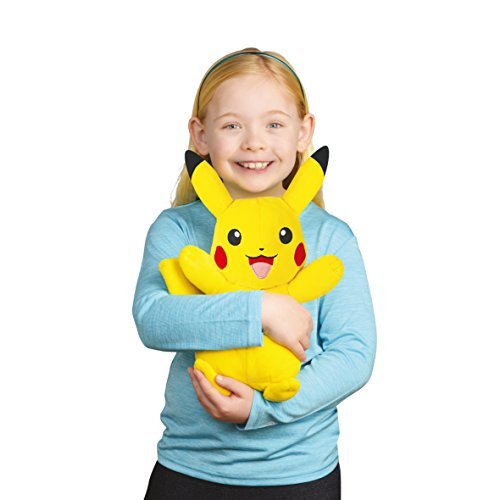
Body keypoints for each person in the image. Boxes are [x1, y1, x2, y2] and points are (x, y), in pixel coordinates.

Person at [132, 47, 377, 500]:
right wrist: (260, 309)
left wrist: (264, 408)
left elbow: (354, 354)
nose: (254, 143)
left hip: (299, 475)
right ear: (200, 135)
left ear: (304, 132)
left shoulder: (330, 237)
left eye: (274, 125)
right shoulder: (178, 229)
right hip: (189, 468)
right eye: (232, 126)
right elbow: (154, 318)